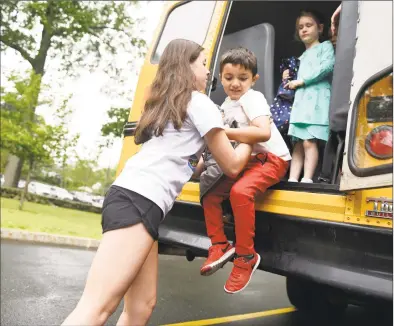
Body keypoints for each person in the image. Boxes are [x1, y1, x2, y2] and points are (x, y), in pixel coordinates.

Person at [62, 39, 256, 326]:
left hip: (139, 201)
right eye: (203, 64)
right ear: (185, 67)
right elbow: (233, 164)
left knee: (141, 307)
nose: (208, 72)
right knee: (97, 307)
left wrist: (204, 163)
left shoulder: (169, 105)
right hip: (137, 200)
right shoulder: (199, 102)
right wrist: (254, 137)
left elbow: (186, 165)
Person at [198, 47, 291, 294]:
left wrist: (221, 131)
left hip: (271, 159)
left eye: (243, 78)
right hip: (247, 160)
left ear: (254, 80)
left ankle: (246, 256)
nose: (236, 84)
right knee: (209, 193)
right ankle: (219, 245)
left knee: (240, 192)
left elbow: (263, 132)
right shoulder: (225, 105)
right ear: (220, 76)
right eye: (229, 78)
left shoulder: (253, 98)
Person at [284, 10, 335, 183]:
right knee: (297, 143)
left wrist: (302, 81)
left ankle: (307, 178)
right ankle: (292, 178)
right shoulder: (299, 57)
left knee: (309, 141)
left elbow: (327, 67)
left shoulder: (325, 47)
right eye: (300, 27)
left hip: (317, 101)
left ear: (320, 28)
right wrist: (288, 78)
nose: (304, 29)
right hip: (301, 104)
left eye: (308, 25)